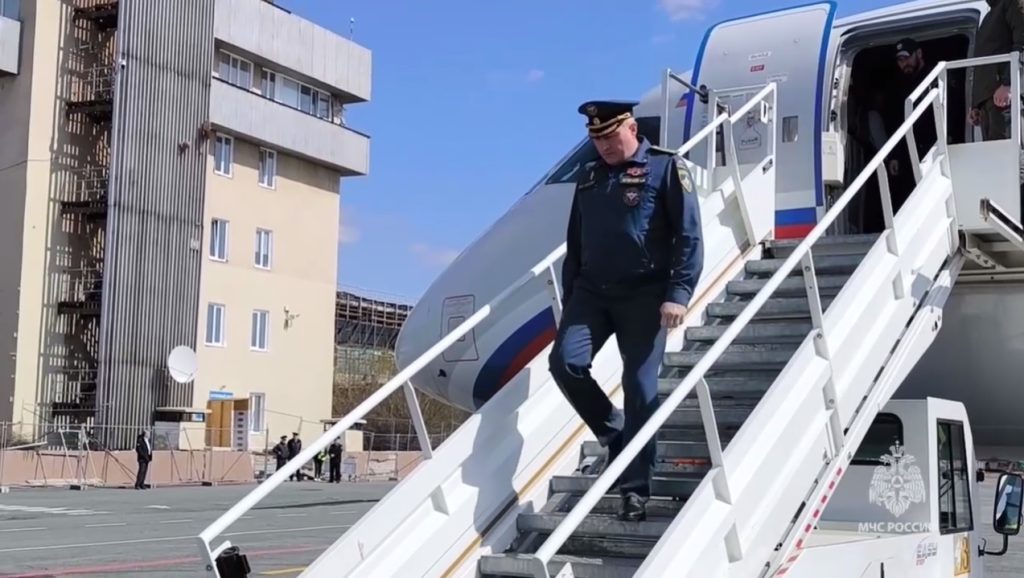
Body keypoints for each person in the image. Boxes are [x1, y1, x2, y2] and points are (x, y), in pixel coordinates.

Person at [548, 99, 704, 521]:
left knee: (639, 386)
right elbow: (576, 243)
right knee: (565, 364)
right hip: (592, 293)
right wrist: (570, 298)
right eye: (596, 139)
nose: (604, 146)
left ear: (632, 128)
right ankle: (615, 433)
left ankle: (635, 489)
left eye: (610, 136)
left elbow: (689, 235)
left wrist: (679, 293)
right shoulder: (589, 176)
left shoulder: (666, 167)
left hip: (645, 294)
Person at [970, 0, 1024, 142]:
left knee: (1006, 153)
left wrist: (1008, 83)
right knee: (994, 153)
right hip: (988, 102)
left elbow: (1022, 44)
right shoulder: (989, 15)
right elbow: (982, 60)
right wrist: (976, 104)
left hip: (1005, 98)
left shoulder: (1012, 3)